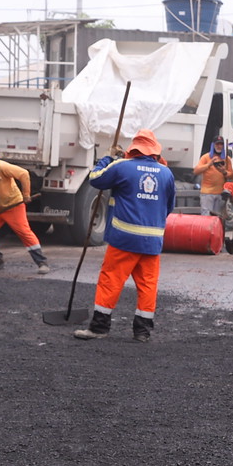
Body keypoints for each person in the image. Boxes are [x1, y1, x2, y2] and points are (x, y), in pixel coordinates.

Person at [75, 130, 175, 343]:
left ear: (134, 148)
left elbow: (95, 179)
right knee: (148, 285)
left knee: (110, 280)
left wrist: (108, 158)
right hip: (152, 241)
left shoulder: (122, 167)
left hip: (124, 239)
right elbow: (169, 206)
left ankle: (99, 328)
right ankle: (142, 332)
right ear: (154, 150)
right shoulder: (166, 173)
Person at [0, 146, 50, 274]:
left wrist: (26, 194)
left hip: (14, 205)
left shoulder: (1, 166)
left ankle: (42, 262)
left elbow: (23, 174)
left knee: (24, 232)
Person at [195, 139, 230, 224]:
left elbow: (232, 175)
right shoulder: (206, 157)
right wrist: (208, 164)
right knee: (206, 217)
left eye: (221, 144)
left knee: (217, 219)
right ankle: (204, 235)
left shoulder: (226, 159)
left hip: (220, 194)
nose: (219, 146)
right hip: (207, 193)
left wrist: (224, 172)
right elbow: (196, 171)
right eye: (217, 144)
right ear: (213, 145)